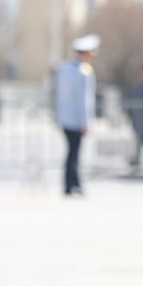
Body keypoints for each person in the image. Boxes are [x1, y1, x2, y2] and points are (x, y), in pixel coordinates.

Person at [55, 34, 99, 197]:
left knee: (71, 152)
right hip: (76, 119)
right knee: (74, 153)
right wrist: (86, 122)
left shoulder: (64, 69)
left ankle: (70, 184)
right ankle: (74, 184)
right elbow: (84, 100)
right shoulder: (83, 72)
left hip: (65, 118)